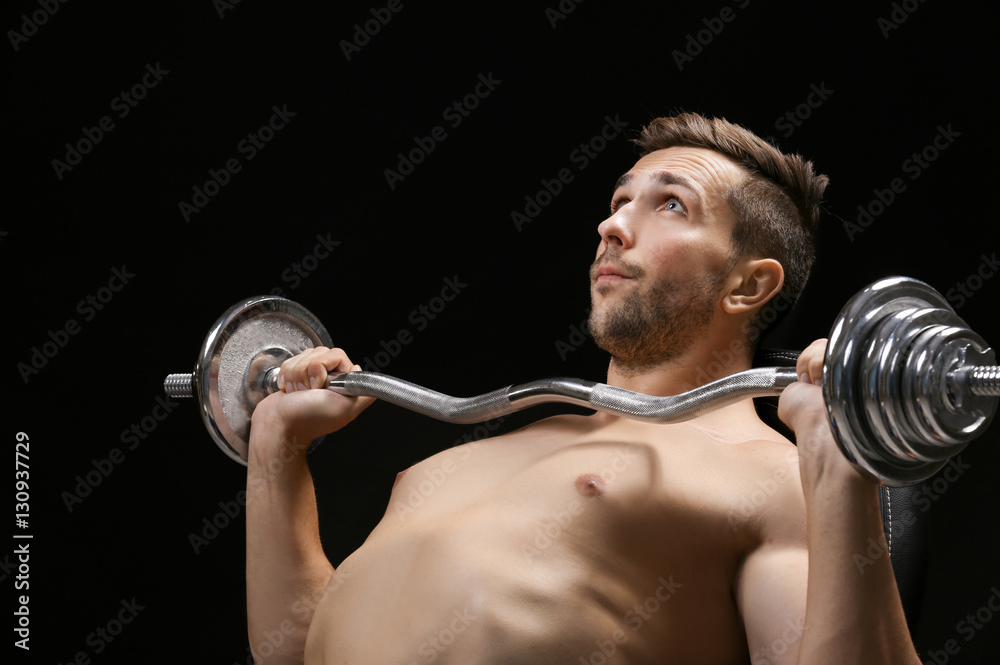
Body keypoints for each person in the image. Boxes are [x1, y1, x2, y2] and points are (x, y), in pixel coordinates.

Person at [245, 113, 921, 664]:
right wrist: (278, 446)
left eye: (671, 205)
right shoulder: (483, 449)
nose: (613, 225)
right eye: (620, 200)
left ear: (747, 283)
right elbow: (296, 649)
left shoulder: (774, 480)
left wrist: (836, 465)